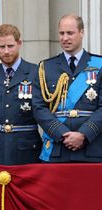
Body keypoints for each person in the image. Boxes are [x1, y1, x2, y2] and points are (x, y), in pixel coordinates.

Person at [32, 14, 102, 163]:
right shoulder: (46, 67)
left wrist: (83, 134)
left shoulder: (99, 65)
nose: (65, 38)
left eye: (70, 33)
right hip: (58, 148)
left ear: (81, 33)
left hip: (92, 147)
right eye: (61, 33)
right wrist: (62, 134)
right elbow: (38, 107)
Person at [0, 24, 42, 165]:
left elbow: (43, 110)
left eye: (10, 46)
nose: (6, 51)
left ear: (19, 43)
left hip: (27, 146)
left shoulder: (36, 73)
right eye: (2, 47)